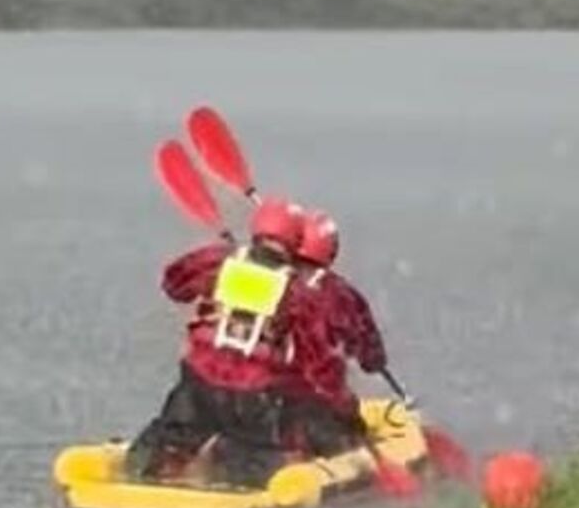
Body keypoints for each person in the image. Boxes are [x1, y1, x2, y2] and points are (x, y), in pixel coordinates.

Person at [126, 197, 316, 487]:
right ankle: (231, 464)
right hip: (253, 393)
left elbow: (174, 285)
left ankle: (156, 463)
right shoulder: (298, 286)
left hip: (198, 381)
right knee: (254, 453)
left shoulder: (219, 260)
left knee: (173, 431)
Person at [279, 210, 388, 459]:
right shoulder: (340, 294)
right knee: (348, 429)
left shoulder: (269, 279)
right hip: (318, 405)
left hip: (261, 399)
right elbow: (370, 355)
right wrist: (373, 360)